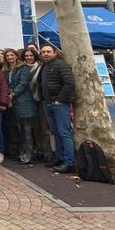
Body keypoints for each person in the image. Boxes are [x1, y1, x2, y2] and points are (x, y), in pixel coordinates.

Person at [39, 45, 76, 174]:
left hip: (60, 104)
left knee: (64, 132)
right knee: (56, 132)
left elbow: (69, 83)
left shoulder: (61, 65)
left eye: (48, 52)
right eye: (43, 52)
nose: (45, 54)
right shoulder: (44, 66)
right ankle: (60, 158)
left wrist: (60, 99)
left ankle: (69, 162)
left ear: (55, 53)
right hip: (48, 103)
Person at [4, 48, 33, 164]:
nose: (10, 57)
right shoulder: (5, 70)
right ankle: (19, 152)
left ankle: (27, 154)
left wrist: (12, 94)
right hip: (12, 104)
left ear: (16, 56)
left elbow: (23, 83)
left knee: (26, 130)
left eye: (12, 55)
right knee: (16, 130)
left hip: (24, 103)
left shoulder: (23, 68)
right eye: (7, 56)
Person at [24, 47, 52, 162]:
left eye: (31, 55)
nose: (29, 58)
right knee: (35, 128)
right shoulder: (22, 68)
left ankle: (48, 153)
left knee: (45, 128)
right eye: (26, 56)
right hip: (29, 101)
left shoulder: (42, 66)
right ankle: (39, 150)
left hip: (41, 99)